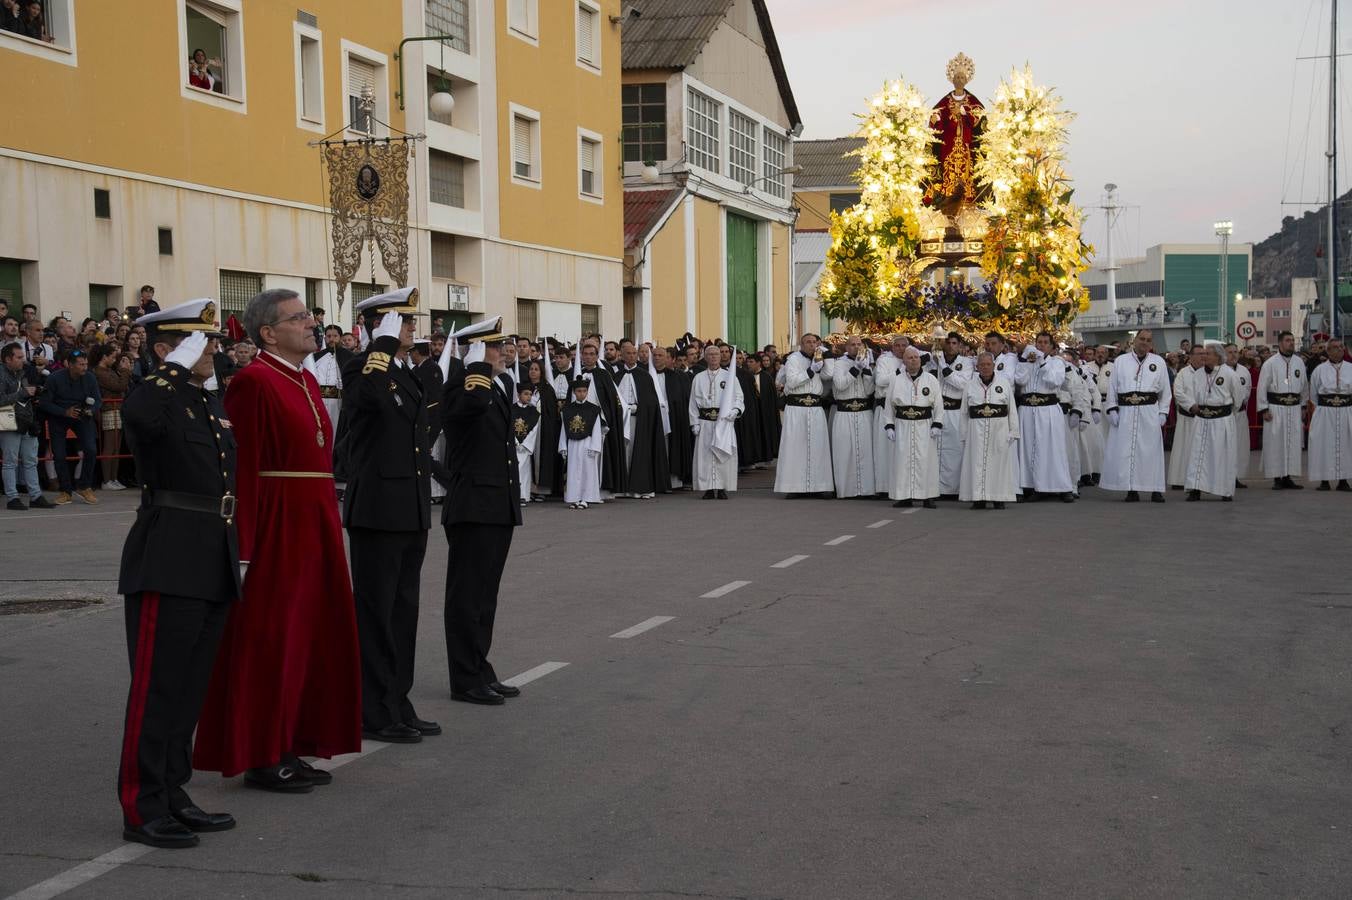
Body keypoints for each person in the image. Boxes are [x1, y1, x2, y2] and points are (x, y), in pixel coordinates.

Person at [194, 289, 361, 792]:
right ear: (268, 332)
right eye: (300, 317)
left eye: (310, 315)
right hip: (277, 530)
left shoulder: (306, 378)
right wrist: (244, 547)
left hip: (315, 523)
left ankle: (294, 742)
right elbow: (243, 471)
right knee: (274, 641)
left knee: (311, 637)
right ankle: (264, 755)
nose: (312, 323)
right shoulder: (253, 382)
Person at [115, 302, 239, 849]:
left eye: (210, 342)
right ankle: (141, 804)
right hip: (168, 555)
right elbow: (139, 417)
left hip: (212, 552)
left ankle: (173, 790)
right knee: (158, 687)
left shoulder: (204, 403)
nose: (212, 348)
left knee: (189, 688)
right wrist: (168, 366)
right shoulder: (158, 397)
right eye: (200, 342)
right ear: (168, 350)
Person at [340, 289, 438, 745]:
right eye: (402, 322)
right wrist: (377, 345)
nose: (412, 329)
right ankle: (374, 710)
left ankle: (398, 700)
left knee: (403, 614)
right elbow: (370, 401)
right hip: (378, 511)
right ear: (379, 326)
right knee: (376, 613)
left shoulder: (406, 372)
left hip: (409, 509)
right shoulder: (363, 366)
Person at [441, 318, 523, 705]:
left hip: (496, 505)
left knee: (485, 596)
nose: (504, 351)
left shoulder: (497, 386)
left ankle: (480, 667)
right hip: (472, 506)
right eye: (494, 346)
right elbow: (470, 409)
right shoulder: (462, 386)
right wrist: (475, 367)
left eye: (503, 344)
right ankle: (464, 678)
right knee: (467, 596)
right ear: (475, 351)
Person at [1101, 329, 1172, 502]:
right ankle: (1131, 488)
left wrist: (1163, 412)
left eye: (1148, 340)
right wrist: (1112, 408)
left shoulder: (1159, 362)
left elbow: (1166, 391)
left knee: (1151, 451)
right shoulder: (1121, 361)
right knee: (1127, 450)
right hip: (1126, 411)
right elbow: (1112, 388)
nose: (1145, 342)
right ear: (1135, 340)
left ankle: (1155, 489)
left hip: (1149, 412)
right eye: (1142, 339)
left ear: (1151, 343)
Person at [1012, 333, 1074, 502]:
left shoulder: (1057, 362)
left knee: (1053, 449)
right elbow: (1019, 380)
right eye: (1039, 342)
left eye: (1046, 343)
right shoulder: (1025, 361)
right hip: (1027, 409)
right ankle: (1031, 486)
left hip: (1048, 410)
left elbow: (1054, 381)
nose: (1041, 345)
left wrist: (1042, 362)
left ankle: (1061, 487)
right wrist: (1026, 362)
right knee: (1028, 449)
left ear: (1052, 347)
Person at [774, 334, 834, 498]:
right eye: (808, 342)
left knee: (817, 447)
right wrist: (810, 370)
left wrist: (827, 358)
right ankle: (794, 487)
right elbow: (792, 381)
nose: (812, 345)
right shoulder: (793, 359)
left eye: (815, 342)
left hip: (815, 407)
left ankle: (818, 486)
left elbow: (828, 375)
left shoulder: (818, 357)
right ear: (801, 344)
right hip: (797, 408)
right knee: (795, 448)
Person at [882, 346, 942, 508]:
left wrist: (937, 424)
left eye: (916, 357)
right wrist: (889, 425)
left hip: (924, 425)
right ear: (904, 361)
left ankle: (928, 496)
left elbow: (938, 405)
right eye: (910, 358)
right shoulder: (896, 380)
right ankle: (904, 496)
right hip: (903, 425)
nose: (914, 360)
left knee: (926, 460)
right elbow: (889, 405)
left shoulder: (931, 380)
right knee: (903, 461)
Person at [39, 348, 100, 505]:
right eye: (80, 364)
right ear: (70, 365)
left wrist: (90, 411)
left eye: (86, 364)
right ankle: (65, 491)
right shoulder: (54, 379)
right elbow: (44, 403)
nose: (84, 367)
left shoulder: (90, 378)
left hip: (81, 417)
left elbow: (98, 400)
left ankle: (85, 486)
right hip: (59, 418)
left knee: (91, 449)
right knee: (59, 455)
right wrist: (64, 412)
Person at [957, 352, 1019, 509]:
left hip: (999, 430)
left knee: (998, 465)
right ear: (977, 367)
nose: (985, 367)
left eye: (988, 364)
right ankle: (979, 499)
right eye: (982, 365)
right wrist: (963, 435)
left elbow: (1011, 409)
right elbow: (964, 412)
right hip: (975, 431)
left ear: (993, 365)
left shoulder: (1004, 383)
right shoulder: (970, 385)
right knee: (976, 464)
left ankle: (999, 498)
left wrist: (1013, 431)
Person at [0, 342, 54, 509]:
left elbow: (25, 395)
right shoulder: (1, 374)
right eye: (19, 357)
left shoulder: (22, 372)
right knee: (10, 461)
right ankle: (12, 498)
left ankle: (35, 495)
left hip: (26, 420)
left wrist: (34, 393)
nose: (23, 360)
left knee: (31, 460)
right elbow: (1, 400)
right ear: (8, 359)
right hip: (8, 420)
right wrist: (23, 393)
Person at [614, 339, 670, 499]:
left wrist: (639, 408)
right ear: (622, 355)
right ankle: (622, 486)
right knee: (622, 451)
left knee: (639, 452)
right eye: (628, 353)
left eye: (634, 353)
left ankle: (640, 487)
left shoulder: (645, 377)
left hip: (639, 420)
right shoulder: (616, 376)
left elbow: (651, 402)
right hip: (621, 421)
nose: (631, 356)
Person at [688, 343, 744, 499]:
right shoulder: (698, 378)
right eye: (710, 354)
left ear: (721, 357)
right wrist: (694, 423)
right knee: (705, 456)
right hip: (705, 422)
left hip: (724, 422)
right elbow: (692, 403)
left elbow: (739, 397)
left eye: (716, 354)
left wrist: (735, 410)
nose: (713, 357)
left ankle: (721, 488)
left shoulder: (730, 377)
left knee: (722, 454)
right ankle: (707, 488)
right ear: (705, 358)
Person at [1183, 346, 1238, 502]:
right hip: (1201, 419)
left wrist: (1224, 412)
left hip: (1221, 421)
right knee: (1197, 455)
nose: (1204, 356)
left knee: (1222, 456)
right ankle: (1195, 489)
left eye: (1207, 354)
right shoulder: (1198, 374)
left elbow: (1238, 398)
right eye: (1203, 353)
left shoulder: (1229, 374)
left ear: (1218, 357)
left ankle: (1224, 490)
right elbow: (1190, 394)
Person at [1257, 331, 1309, 490]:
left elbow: (1304, 385)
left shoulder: (1299, 362)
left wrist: (1304, 405)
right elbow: (1261, 386)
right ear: (1280, 343)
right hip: (1275, 408)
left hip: (1294, 408)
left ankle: (1288, 476)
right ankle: (1277, 477)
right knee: (1275, 442)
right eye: (1288, 340)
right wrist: (1263, 408)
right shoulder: (1270, 363)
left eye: (1293, 340)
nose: (1291, 343)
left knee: (1292, 442)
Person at [926, 332, 973, 497]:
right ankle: (934, 488)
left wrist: (944, 367)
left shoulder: (966, 363)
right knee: (935, 449)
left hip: (955, 411)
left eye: (954, 343)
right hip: (938, 410)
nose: (951, 346)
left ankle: (954, 489)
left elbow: (963, 384)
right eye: (948, 343)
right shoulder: (935, 361)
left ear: (959, 345)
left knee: (954, 450)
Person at [578, 341, 627, 499]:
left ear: (597, 356)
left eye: (592, 354)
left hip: (599, 421)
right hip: (580, 421)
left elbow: (610, 400)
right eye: (585, 354)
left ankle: (601, 490)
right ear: (581, 355)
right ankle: (582, 489)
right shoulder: (577, 373)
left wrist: (605, 418)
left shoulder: (604, 375)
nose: (588, 357)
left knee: (598, 456)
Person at [828, 336, 875, 499]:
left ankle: (866, 490)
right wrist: (855, 368)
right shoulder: (839, 363)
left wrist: (867, 368)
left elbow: (869, 390)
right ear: (846, 347)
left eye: (859, 344)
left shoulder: (866, 361)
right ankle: (846, 490)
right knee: (845, 452)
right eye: (852, 345)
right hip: (845, 412)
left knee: (865, 451)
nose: (856, 347)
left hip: (863, 412)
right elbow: (840, 385)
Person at [1308, 338, 1352, 491]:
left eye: (1341, 347)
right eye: (1335, 347)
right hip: (1325, 412)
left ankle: (1343, 480)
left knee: (1346, 445)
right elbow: (1313, 394)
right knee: (1323, 445)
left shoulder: (1350, 368)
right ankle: (1324, 480)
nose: (1339, 350)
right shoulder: (1319, 370)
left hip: (1346, 411)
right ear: (1328, 351)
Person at [652, 345, 693, 490]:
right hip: (653, 419)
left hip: (672, 418)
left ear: (668, 358)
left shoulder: (677, 376)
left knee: (672, 448)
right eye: (655, 355)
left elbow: (682, 399)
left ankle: (673, 480)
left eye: (660, 355)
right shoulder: (647, 376)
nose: (657, 358)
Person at [560, 376, 605, 509]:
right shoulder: (567, 409)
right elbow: (564, 428)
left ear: (587, 391)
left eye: (584, 391)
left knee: (587, 471)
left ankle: (586, 498)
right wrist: (563, 446)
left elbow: (597, 429)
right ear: (574, 392)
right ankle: (574, 497)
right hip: (573, 444)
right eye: (579, 391)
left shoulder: (594, 409)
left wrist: (595, 447)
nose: (581, 393)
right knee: (573, 471)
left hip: (587, 443)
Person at [93, 344, 132, 491]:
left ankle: (113, 478)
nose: (115, 360)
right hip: (109, 410)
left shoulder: (109, 370)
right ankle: (106, 479)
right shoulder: (99, 372)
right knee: (109, 447)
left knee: (116, 447)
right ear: (104, 357)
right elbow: (119, 386)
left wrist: (123, 372)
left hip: (117, 409)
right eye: (113, 357)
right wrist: (125, 371)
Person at [1167, 345, 1204, 490]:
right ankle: (1179, 479)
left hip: (1202, 417)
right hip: (1186, 416)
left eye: (1204, 353)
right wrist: (1191, 405)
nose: (1203, 356)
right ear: (1191, 356)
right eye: (1199, 354)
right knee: (1183, 449)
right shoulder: (1183, 373)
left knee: (1199, 449)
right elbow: (1178, 392)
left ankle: (1199, 480)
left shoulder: (1208, 373)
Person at [1226, 344, 1254, 488]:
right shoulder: (1220, 371)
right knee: (1226, 446)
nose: (1233, 355)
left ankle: (1236, 476)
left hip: (1240, 414)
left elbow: (1247, 391)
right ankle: (1225, 475)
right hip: (1225, 414)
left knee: (1240, 446)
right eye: (1230, 352)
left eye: (1235, 352)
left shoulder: (1244, 371)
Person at [512, 383, 540, 506]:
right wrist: (515, 442)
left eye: (530, 394)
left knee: (524, 472)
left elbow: (534, 430)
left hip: (525, 447)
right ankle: (513, 496)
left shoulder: (534, 412)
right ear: (519, 395)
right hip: (514, 446)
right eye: (525, 394)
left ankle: (523, 496)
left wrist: (525, 444)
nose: (528, 397)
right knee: (514, 471)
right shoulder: (510, 409)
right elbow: (507, 427)